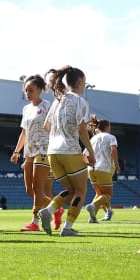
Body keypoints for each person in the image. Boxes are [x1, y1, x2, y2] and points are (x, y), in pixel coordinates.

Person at [37, 65, 96, 236]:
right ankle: (68, 227)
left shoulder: (58, 101)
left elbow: (46, 126)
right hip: (69, 150)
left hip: (52, 152)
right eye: (84, 82)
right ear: (79, 82)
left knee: (71, 191)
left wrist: (60, 131)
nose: (84, 85)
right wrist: (91, 153)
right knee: (81, 191)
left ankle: (48, 211)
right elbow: (82, 129)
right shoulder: (80, 101)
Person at [11, 74, 55, 232]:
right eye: (26, 90)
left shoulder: (48, 106)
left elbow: (54, 128)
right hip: (28, 152)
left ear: (40, 90)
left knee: (37, 188)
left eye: (31, 90)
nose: (27, 93)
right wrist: (17, 151)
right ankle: (55, 207)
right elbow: (24, 132)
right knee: (29, 190)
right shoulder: (26, 109)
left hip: (43, 149)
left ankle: (35, 222)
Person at [83, 115, 121, 223]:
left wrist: (87, 166)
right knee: (107, 195)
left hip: (91, 169)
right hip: (104, 168)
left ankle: (92, 218)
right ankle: (93, 205)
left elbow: (84, 155)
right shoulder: (111, 137)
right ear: (107, 127)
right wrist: (117, 164)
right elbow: (113, 150)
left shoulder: (92, 139)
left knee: (100, 194)